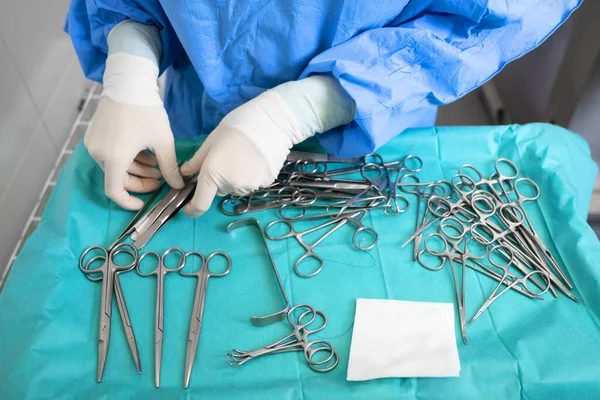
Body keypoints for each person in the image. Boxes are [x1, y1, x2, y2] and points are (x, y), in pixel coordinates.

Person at [66, 0, 581, 218]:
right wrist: (130, 60)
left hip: (371, 131)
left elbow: (495, 16)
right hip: (200, 114)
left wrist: (303, 109)